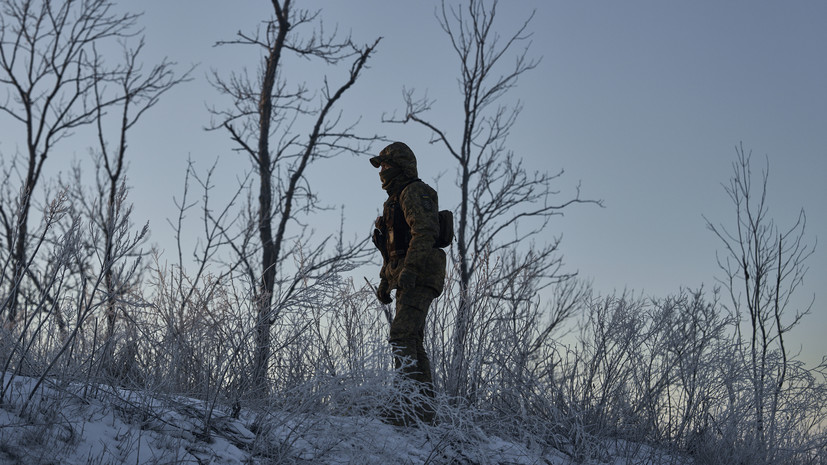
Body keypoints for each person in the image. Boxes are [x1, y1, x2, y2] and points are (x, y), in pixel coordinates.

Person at [370, 142, 446, 425]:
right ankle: (423, 411)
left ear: (400, 167)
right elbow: (393, 248)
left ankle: (408, 406)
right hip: (407, 274)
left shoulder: (415, 191)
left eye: (387, 166)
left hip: (421, 273)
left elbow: (424, 232)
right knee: (412, 337)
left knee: (402, 334)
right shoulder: (395, 199)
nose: (382, 172)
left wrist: (411, 271)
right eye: (381, 167)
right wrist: (384, 280)